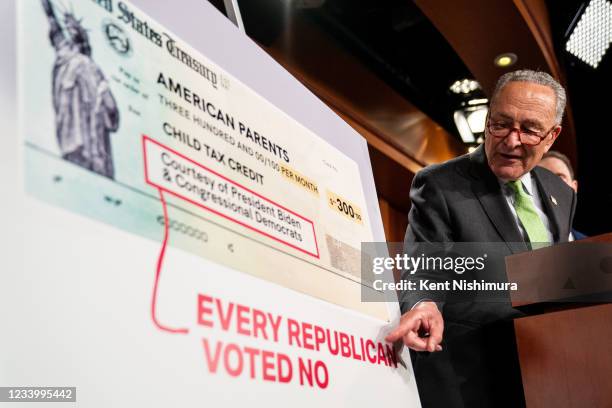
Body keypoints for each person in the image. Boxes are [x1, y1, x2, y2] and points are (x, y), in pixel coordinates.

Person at [386, 70, 576, 407]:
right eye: (500, 123)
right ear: (488, 118)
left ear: (552, 136)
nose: (511, 140)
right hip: (473, 377)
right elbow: (425, 268)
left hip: (548, 372)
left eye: (530, 130)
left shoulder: (561, 192)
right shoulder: (439, 184)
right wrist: (423, 304)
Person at [41, 0, 120, 179]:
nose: (70, 31)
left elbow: (110, 107)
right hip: (75, 131)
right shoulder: (68, 56)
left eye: (74, 29)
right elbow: (53, 23)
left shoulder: (91, 67)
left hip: (94, 136)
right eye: (69, 29)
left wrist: (109, 107)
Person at [539, 150, 587, 239]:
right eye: (544, 178)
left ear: (574, 187)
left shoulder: (591, 245)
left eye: (560, 177)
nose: (553, 184)